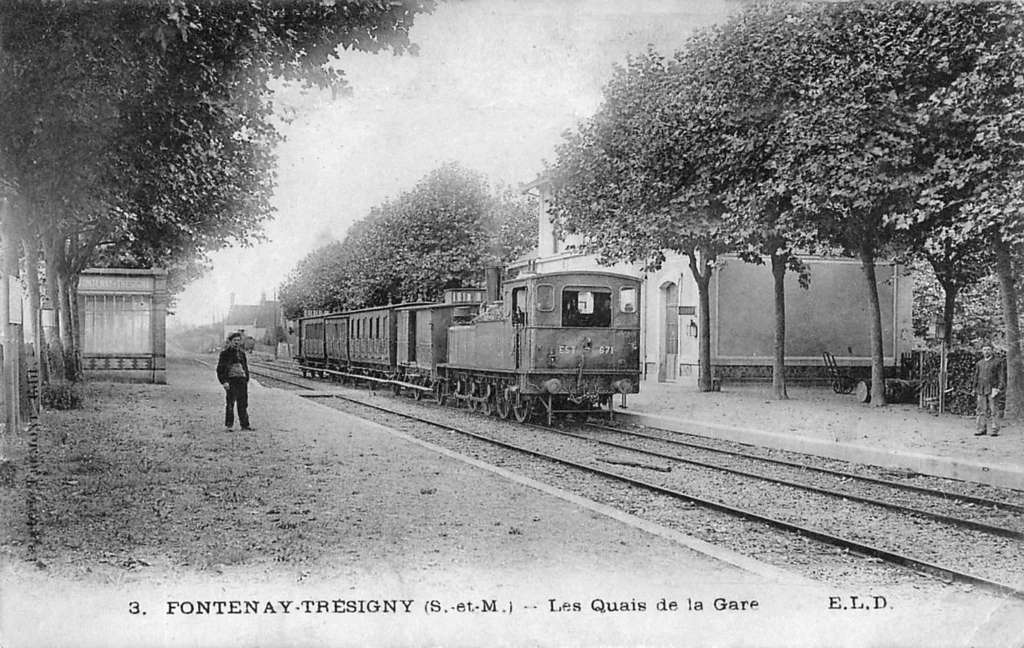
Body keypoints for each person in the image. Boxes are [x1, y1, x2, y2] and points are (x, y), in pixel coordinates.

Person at [217, 332, 253, 432]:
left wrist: (246, 378)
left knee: (243, 404)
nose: (236, 342)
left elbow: (245, 367)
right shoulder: (225, 354)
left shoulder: (242, 354)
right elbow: (220, 369)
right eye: (234, 340)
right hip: (231, 381)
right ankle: (229, 426)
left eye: (238, 340)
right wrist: (224, 382)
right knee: (230, 404)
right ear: (230, 341)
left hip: (242, 381)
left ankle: (245, 425)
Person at [973, 343, 1005, 437]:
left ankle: (995, 429)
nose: (986, 351)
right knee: (980, 410)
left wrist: (999, 387)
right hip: (981, 388)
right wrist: (974, 388)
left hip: (993, 388)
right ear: (982, 351)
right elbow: (976, 376)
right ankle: (981, 428)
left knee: (994, 409)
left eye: (988, 349)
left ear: (992, 351)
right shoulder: (979, 363)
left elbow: (1001, 376)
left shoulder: (998, 362)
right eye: (984, 349)